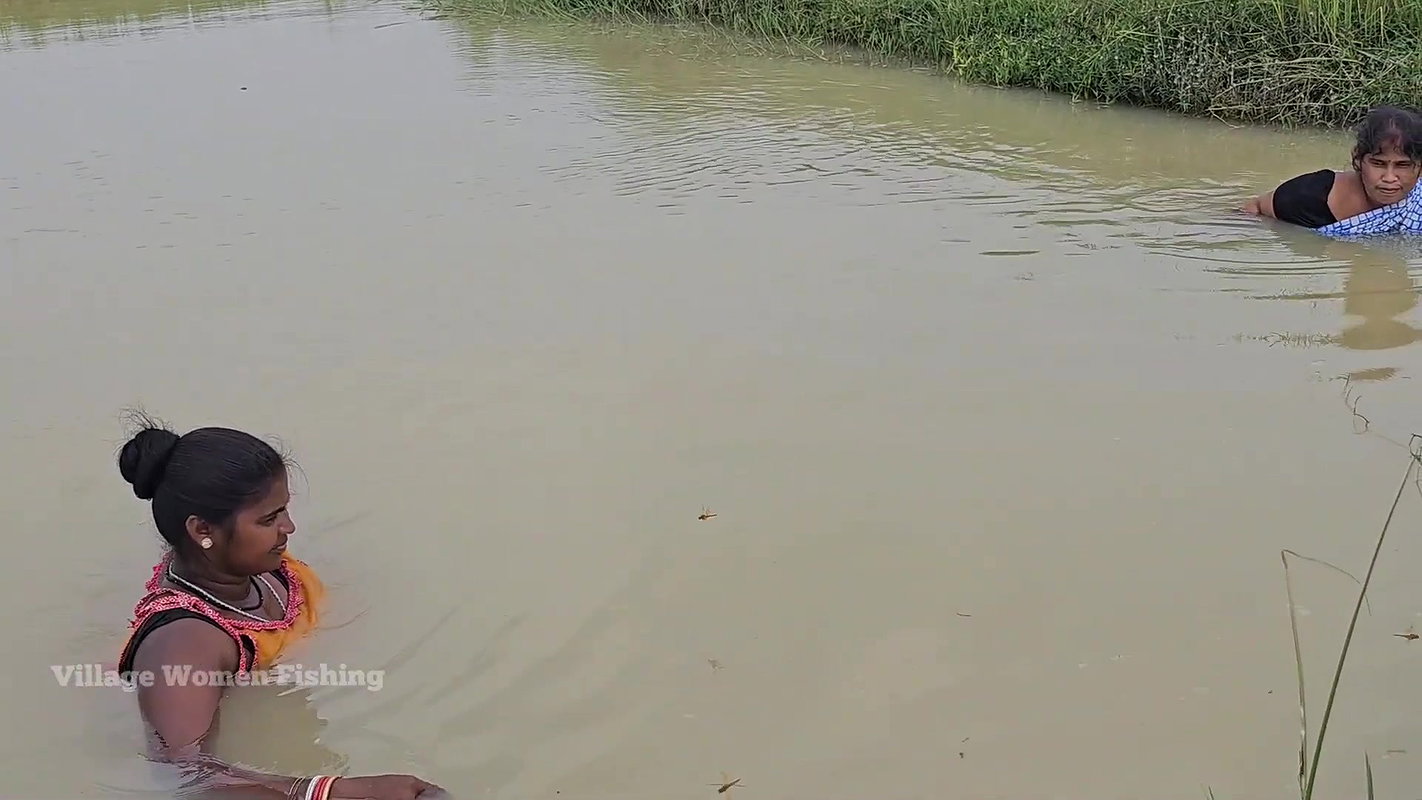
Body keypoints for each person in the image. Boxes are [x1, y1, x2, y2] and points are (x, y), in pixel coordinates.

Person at [114, 416, 445, 800]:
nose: (289, 528)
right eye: (269, 519)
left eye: (284, 510)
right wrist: (331, 792)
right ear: (203, 531)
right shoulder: (184, 644)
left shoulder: (262, 569)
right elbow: (185, 774)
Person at [1243, 105, 1422, 233]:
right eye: (1378, 163)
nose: (1389, 178)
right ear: (1358, 160)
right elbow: (1253, 208)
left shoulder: (1418, 202)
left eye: (1403, 165)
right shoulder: (1306, 198)